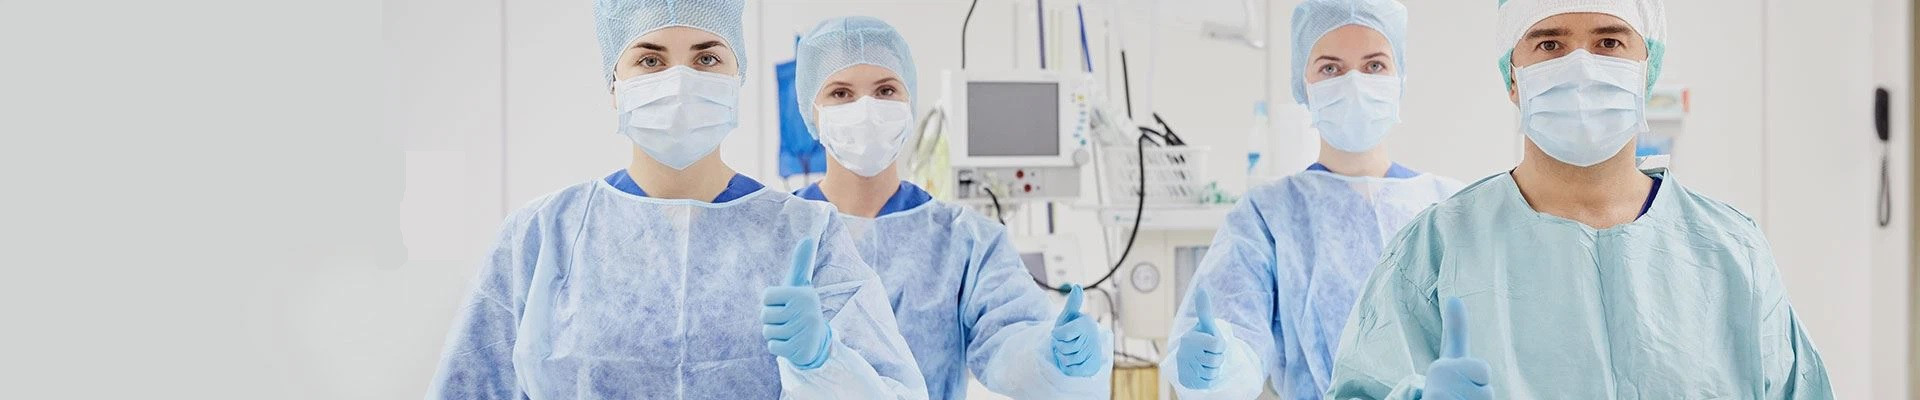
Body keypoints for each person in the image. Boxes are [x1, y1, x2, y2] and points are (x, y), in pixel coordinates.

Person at [1326, 0, 1833, 399]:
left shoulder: (1731, 251)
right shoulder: (1436, 251)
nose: (1582, 68)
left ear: (1647, 69)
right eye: (1550, 44)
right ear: (1512, 76)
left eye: (1609, 42)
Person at [425, 1, 928, 398]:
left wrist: (824, 362)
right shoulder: (540, 236)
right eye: (651, 60)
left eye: (707, 58)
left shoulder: (809, 235)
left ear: (737, 78)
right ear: (614, 85)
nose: (681, 80)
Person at [787, 16, 1113, 399]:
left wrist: (1051, 356)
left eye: (886, 90)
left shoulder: (965, 240)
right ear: (811, 110)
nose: (867, 109)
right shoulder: (777, 232)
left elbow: (1009, 339)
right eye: (841, 93)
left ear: (909, 103)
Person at [1159, 1, 1464, 398]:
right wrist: (1215, 365)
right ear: (1302, 84)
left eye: (1374, 65)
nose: (1354, 83)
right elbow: (1237, 347)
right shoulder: (1268, 214)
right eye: (1331, 68)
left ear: (1400, 77)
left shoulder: (1450, 206)